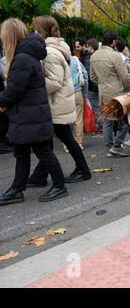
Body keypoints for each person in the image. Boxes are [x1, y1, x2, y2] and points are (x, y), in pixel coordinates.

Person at [0, 18, 67, 205]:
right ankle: (17, 189)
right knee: (22, 153)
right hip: (28, 114)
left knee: (43, 152)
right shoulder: (27, 54)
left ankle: (60, 185)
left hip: (29, 115)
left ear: (9, 36)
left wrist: (2, 100)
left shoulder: (21, 58)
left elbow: (13, 90)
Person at [29, 15, 91, 186]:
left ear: (41, 32)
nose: (33, 33)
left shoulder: (49, 52)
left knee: (62, 140)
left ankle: (83, 170)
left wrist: (34, 85)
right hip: (59, 102)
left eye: (35, 29)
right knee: (55, 141)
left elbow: (55, 82)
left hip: (56, 103)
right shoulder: (55, 49)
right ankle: (40, 175)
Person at [90, 29, 130, 157]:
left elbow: (93, 78)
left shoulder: (94, 56)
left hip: (103, 92)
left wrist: (103, 82)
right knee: (129, 117)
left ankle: (110, 147)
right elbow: (125, 76)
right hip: (117, 92)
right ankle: (116, 145)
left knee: (108, 121)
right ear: (114, 42)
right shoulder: (115, 56)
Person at [69, 54, 88, 149]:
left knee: (66, 120)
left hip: (63, 94)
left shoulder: (57, 59)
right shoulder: (75, 60)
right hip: (77, 91)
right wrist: (85, 94)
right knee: (78, 119)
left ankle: (67, 144)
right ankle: (78, 142)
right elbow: (85, 75)